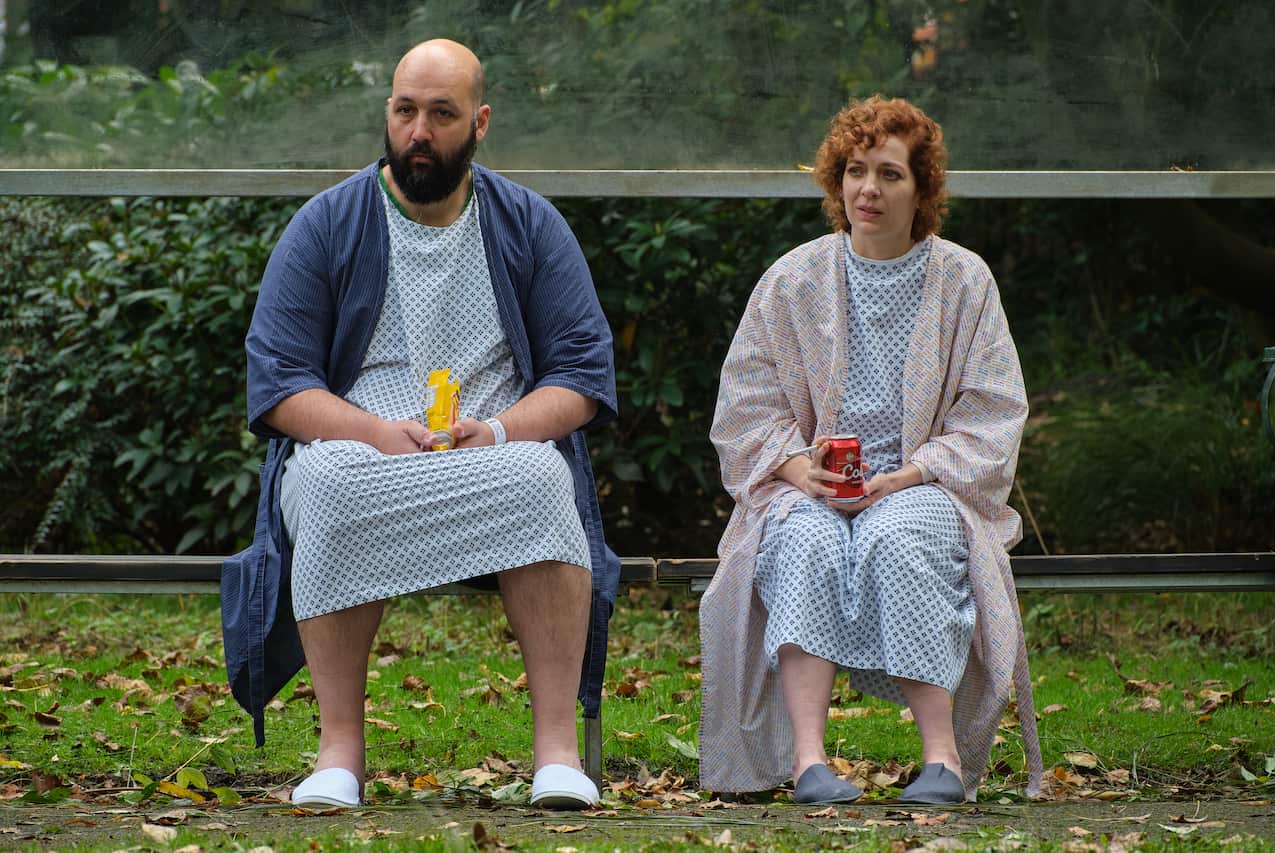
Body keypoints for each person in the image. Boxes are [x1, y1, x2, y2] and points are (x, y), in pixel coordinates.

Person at [220, 39, 618, 811]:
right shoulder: (327, 223)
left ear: (480, 122)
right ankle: (339, 752)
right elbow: (278, 382)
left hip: (492, 452)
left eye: (442, 114)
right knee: (325, 481)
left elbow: (581, 373)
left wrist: (497, 430)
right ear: (388, 112)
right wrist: (373, 432)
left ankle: (557, 753)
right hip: (360, 453)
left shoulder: (528, 223)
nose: (419, 132)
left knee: (545, 475)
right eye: (406, 111)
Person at [699, 96, 1042, 805]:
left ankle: (942, 760)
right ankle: (809, 762)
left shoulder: (964, 280)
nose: (869, 190)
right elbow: (745, 405)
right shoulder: (794, 277)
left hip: (926, 485)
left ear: (922, 189)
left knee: (897, 535)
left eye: (890, 174)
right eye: (856, 171)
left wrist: (909, 474)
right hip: (810, 485)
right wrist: (799, 468)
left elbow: (993, 412)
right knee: (804, 539)